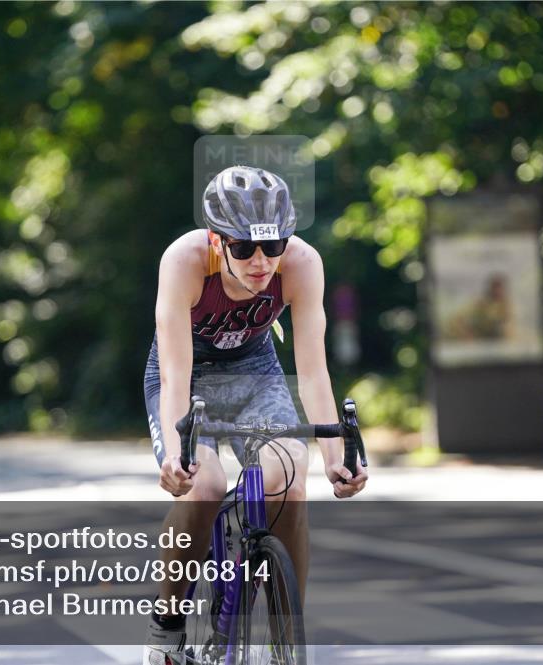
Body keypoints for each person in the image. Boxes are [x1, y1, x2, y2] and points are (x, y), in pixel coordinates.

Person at [143, 165, 369, 664]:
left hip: (255, 373)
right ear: (216, 240)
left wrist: (336, 457)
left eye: (274, 245)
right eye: (243, 248)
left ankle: (286, 637)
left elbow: (313, 372)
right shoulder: (183, 261)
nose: (261, 261)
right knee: (202, 489)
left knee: (288, 480)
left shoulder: (303, 264)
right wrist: (178, 458)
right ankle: (167, 630)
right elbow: (176, 375)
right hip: (188, 376)